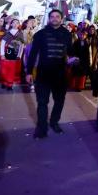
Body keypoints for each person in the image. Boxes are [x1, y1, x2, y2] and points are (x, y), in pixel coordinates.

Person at [25, 9, 73, 138]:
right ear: (49, 18)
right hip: (43, 74)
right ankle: (41, 128)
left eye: (57, 16)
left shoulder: (67, 34)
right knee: (42, 102)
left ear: (61, 19)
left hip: (60, 74)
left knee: (59, 101)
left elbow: (72, 52)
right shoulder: (40, 34)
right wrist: (29, 72)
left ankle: (54, 122)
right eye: (52, 16)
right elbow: (33, 54)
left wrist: (75, 59)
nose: (55, 18)